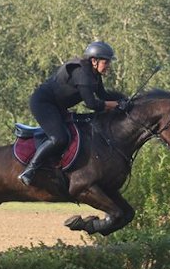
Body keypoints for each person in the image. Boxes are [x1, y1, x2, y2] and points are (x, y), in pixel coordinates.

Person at [18, 41, 126, 186]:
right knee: (59, 138)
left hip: (57, 107)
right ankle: (30, 170)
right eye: (106, 62)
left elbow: (103, 95)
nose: (108, 66)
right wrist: (115, 105)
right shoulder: (82, 73)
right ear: (94, 61)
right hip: (43, 104)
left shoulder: (94, 75)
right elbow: (92, 104)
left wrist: (125, 100)